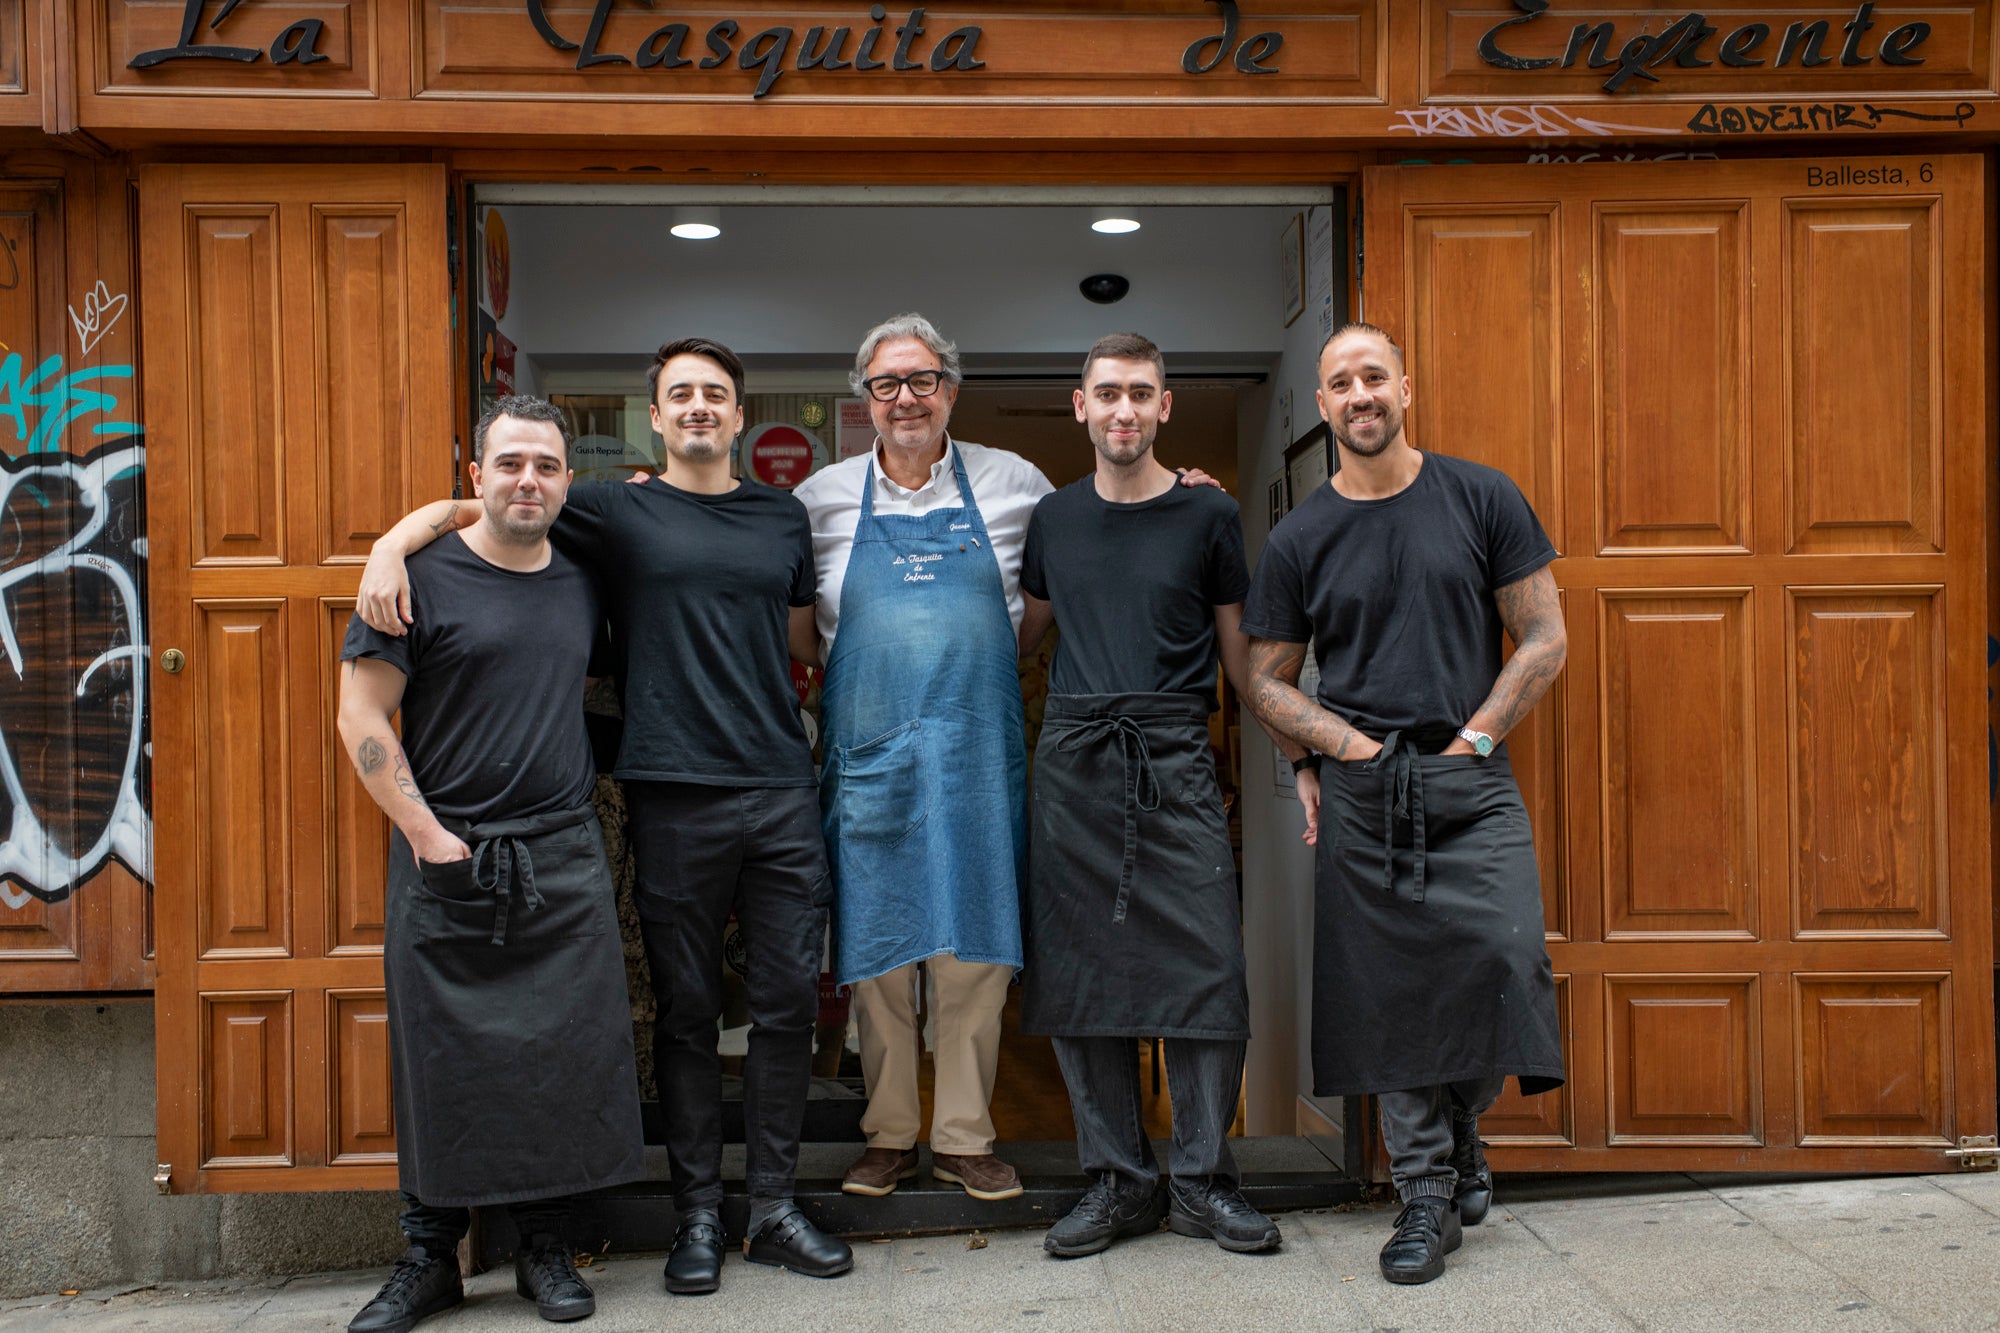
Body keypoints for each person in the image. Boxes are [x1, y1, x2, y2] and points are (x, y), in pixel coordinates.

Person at [356, 341, 852, 1296]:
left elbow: (798, 637)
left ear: (739, 415)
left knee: (789, 1002)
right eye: (680, 396)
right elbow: (490, 507)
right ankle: (699, 1214)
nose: (699, 407)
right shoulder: (611, 508)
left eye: (715, 393)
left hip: (782, 789)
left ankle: (778, 1208)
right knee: (689, 1010)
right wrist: (389, 543)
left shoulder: (782, 516)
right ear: (656, 419)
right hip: (670, 791)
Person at [1240, 322, 1567, 1286]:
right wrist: (1337, 752)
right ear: (1325, 403)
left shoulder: (1480, 494)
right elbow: (1266, 680)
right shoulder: (1301, 536)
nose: (1359, 395)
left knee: (1503, 957)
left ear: (1405, 388)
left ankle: (1465, 1122)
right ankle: (1424, 1189)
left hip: (1470, 775)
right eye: (1339, 383)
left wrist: (1475, 736)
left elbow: (1544, 634)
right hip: (1368, 785)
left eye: (1372, 376)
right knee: (1386, 995)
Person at [337, 395, 644, 1332]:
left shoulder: (585, 578)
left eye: (546, 466)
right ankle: (429, 1258)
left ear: (565, 479)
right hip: (447, 852)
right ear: (475, 476)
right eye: (509, 463)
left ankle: (545, 1252)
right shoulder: (416, 578)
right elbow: (360, 717)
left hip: (558, 849)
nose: (528, 480)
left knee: (559, 1056)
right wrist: (429, 838)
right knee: (439, 1062)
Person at [1017, 333, 1314, 1259]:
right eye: (1107, 393)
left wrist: (1300, 756)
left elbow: (1244, 664)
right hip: (1073, 756)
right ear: (1080, 405)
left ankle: (1201, 1180)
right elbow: (1021, 640)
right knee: (1080, 975)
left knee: (1206, 971)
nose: (1123, 411)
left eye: (1140, 394)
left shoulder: (1209, 515)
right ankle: (1115, 1179)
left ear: (1165, 407)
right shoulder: (1052, 521)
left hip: (1176, 751)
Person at [792, 313, 1052, 1203]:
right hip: (867, 757)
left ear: (952, 388)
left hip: (977, 752)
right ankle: (889, 1134)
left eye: (923, 380)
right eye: (887, 384)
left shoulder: (1016, 484)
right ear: (865, 397)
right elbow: (801, 630)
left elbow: (1043, 610)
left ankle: (967, 1136)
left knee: (977, 950)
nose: (906, 398)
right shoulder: (821, 500)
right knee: (876, 948)